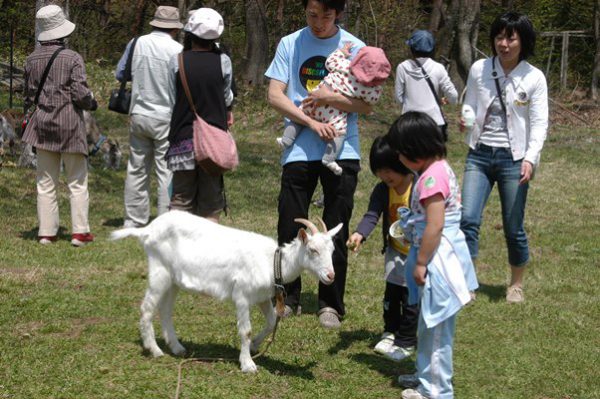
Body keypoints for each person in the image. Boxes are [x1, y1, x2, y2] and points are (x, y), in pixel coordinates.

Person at [265, 0, 372, 329]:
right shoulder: (290, 43)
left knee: (335, 227)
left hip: (342, 150)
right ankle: (287, 297)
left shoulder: (356, 47)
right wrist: (310, 123)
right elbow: (275, 95)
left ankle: (330, 305)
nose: (319, 22)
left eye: (326, 15)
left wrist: (329, 100)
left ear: (338, 13)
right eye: (313, 14)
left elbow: (366, 104)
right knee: (289, 229)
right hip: (298, 150)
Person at [387, 112, 478, 399]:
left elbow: (435, 224)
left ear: (415, 150)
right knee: (427, 323)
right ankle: (426, 375)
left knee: (436, 328)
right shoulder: (432, 171)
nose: (399, 158)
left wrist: (422, 261)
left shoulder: (432, 178)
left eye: (401, 152)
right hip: (432, 254)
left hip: (438, 260)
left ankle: (436, 391)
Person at [459, 12, 548, 304]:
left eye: (510, 37)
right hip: (479, 155)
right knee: (468, 219)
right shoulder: (479, 69)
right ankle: (468, 282)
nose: (503, 43)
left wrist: (530, 159)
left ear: (523, 41)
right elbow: (470, 105)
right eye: (499, 36)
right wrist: (466, 121)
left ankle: (516, 284)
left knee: (513, 227)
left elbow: (539, 123)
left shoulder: (534, 77)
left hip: (515, 160)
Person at [22, 5, 98, 247]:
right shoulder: (72, 57)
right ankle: (80, 233)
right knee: (76, 181)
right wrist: (92, 102)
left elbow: (28, 95)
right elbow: (80, 93)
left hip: (42, 125)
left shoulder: (31, 60)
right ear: (63, 32)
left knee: (45, 182)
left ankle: (46, 233)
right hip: (70, 125)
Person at [346, 136, 418, 362]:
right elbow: (372, 215)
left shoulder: (418, 186)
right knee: (392, 294)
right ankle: (389, 332)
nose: (384, 176)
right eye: (379, 171)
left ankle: (407, 340)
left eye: (388, 170)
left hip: (417, 253)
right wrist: (360, 234)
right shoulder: (382, 190)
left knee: (411, 297)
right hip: (395, 252)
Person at [115, 6, 183, 228]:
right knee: (166, 170)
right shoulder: (178, 50)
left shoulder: (137, 43)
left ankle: (133, 219)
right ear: (175, 29)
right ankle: (164, 219)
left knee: (136, 168)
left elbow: (120, 73)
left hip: (139, 112)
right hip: (166, 115)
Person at [277, 42, 390, 175]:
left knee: (300, 116)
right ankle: (329, 159)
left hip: (314, 101)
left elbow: (330, 61)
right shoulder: (369, 89)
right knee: (339, 133)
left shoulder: (344, 66)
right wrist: (377, 87)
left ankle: (286, 140)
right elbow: (372, 102)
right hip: (334, 113)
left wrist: (343, 51)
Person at [166, 8, 234, 222]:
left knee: (180, 200)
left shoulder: (177, 61)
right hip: (213, 140)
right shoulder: (223, 62)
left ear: (190, 33)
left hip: (183, 137)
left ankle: (176, 251)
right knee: (211, 204)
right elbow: (226, 97)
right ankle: (208, 251)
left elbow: (171, 98)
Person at [394, 30, 457, 140]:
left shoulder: (402, 67)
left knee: (410, 156)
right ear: (432, 49)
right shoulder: (438, 68)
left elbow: (398, 98)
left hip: (409, 122)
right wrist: (446, 101)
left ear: (412, 48)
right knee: (431, 156)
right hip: (434, 122)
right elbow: (454, 96)